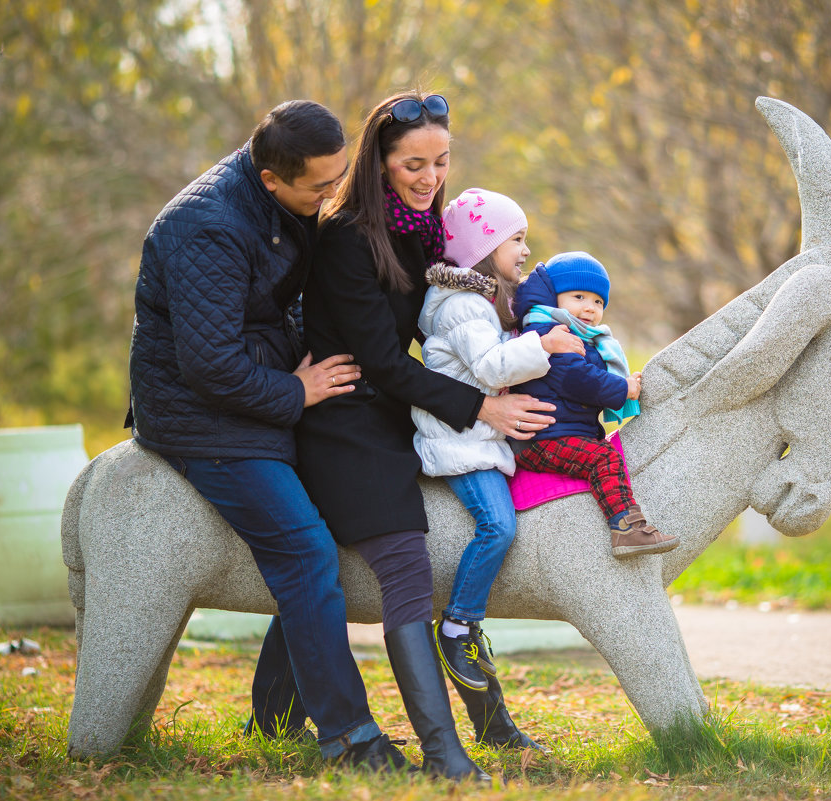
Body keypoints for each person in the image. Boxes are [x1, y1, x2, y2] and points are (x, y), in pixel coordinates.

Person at [246, 91, 556, 781]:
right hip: (342, 421)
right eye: (413, 163)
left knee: (325, 569)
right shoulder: (347, 238)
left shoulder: (423, 228)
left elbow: (440, 324)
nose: (429, 176)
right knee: (407, 570)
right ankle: (445, 754)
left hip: (392, 410)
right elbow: (383, 360)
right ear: (378, 161)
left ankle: (268, 722)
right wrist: (480, 407)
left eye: (440, 161)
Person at [126, 100, 408, 770]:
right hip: (203, 418)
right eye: (321, 186)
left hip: (265, 396)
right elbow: (209, 364)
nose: (332, 195)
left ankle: (278, 716)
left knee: (340, 512)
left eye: (338, 178)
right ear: (270, 177)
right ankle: (349, 737)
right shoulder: (207, 227)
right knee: (308, 551)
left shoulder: (292, 205)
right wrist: (300, 391)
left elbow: (289, 301)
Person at [410, 188, 581, 750]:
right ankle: (457, 625)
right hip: (462, 444)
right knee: (498, 525)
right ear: (485, 246)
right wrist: (546, 345)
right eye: (516, 238)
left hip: (482, 439)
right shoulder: (460, 305)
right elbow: (488, 366)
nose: (526, 249)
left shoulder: (484, 302)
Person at [510, 251, 680, 557]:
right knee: (603, 458)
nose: (590, 308)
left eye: (598, 302)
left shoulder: (578, 336)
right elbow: (578, 380)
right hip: (542, 439)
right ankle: (627, 529)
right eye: (579, 297)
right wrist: (623, 388)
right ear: (554, 296)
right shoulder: (550, 333)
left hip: (564, 432)